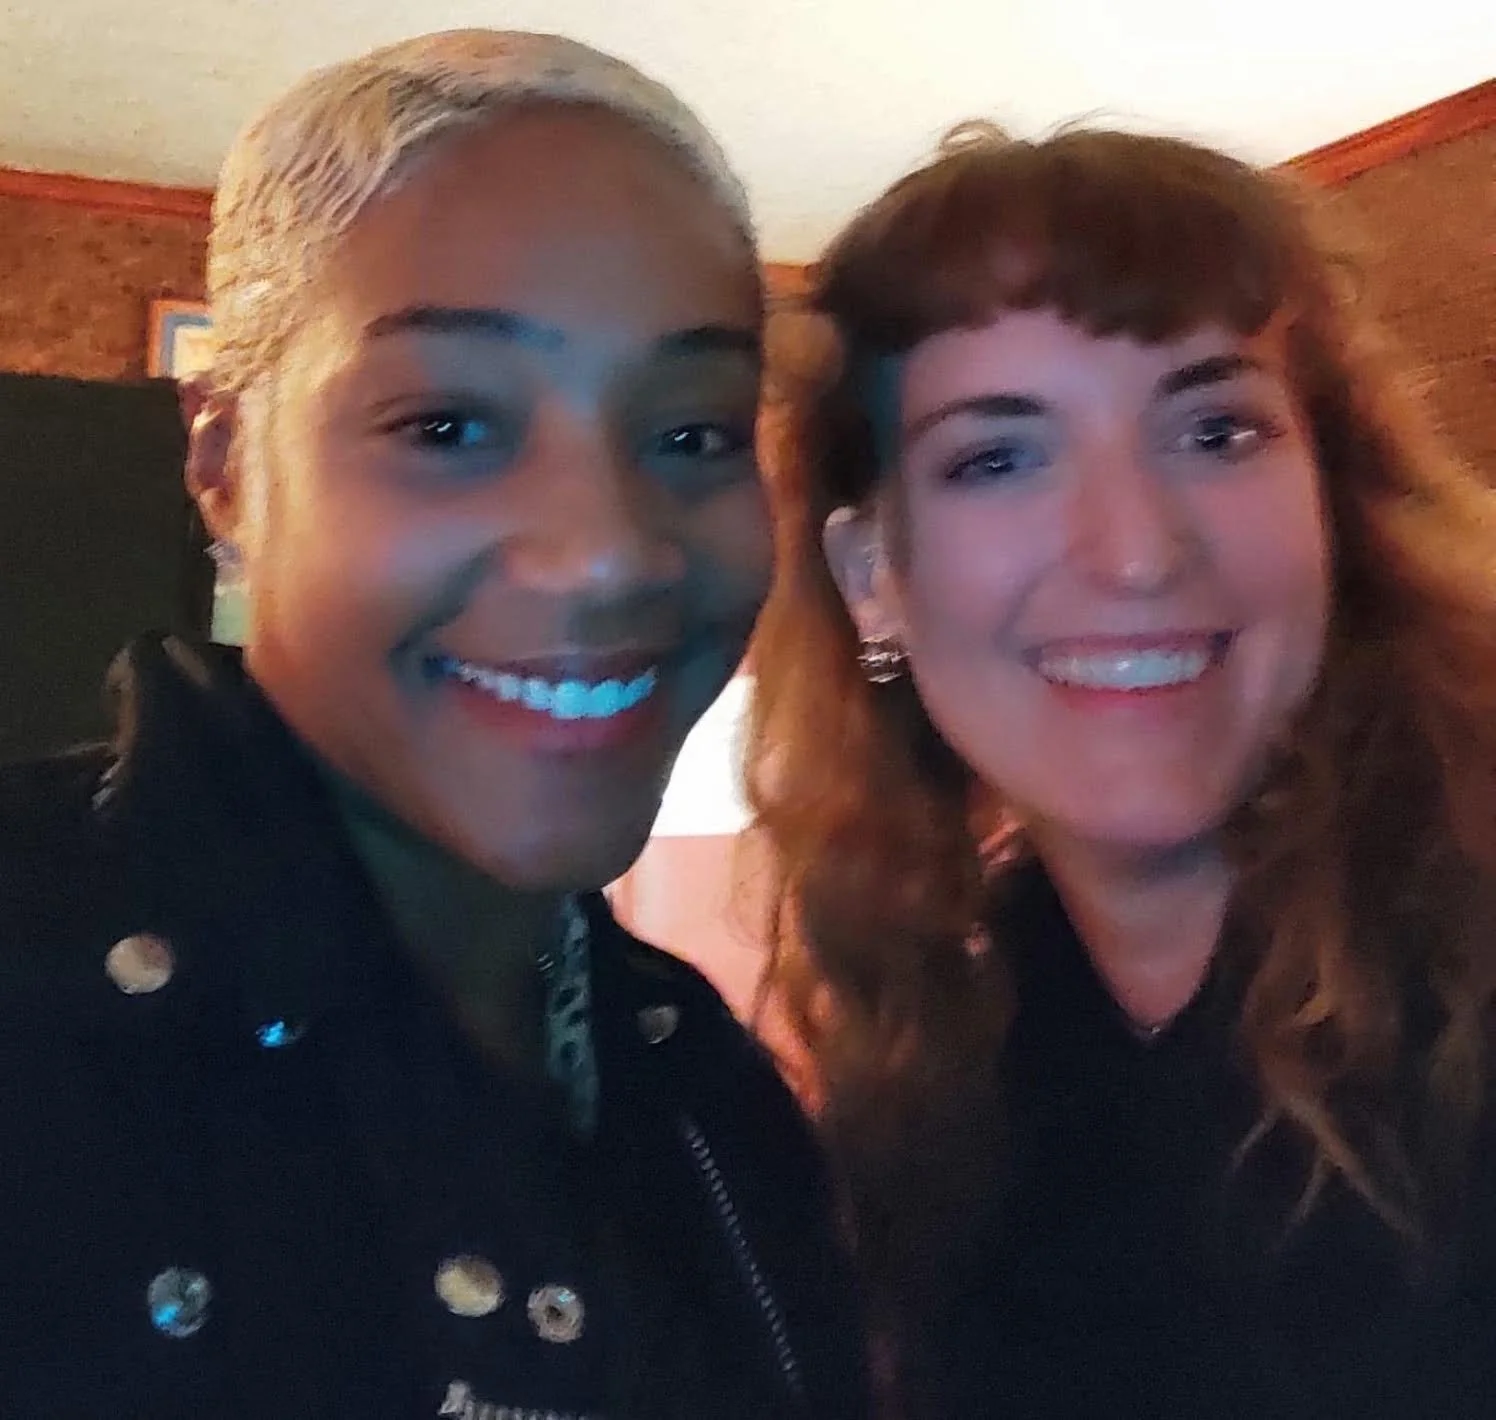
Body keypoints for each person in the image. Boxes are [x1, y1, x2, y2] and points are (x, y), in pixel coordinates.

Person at [0, 31, 868, 1419]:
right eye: (451, 426)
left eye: (692, 433)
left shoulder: (711, 1100)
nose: (606, 554)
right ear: (224, 462)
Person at [745, 120, 1496, 1418]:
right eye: (998, 457)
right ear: (874, 580)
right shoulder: (944, 1064)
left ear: (1334, 500)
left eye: (1217, 432)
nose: (1136, 551)